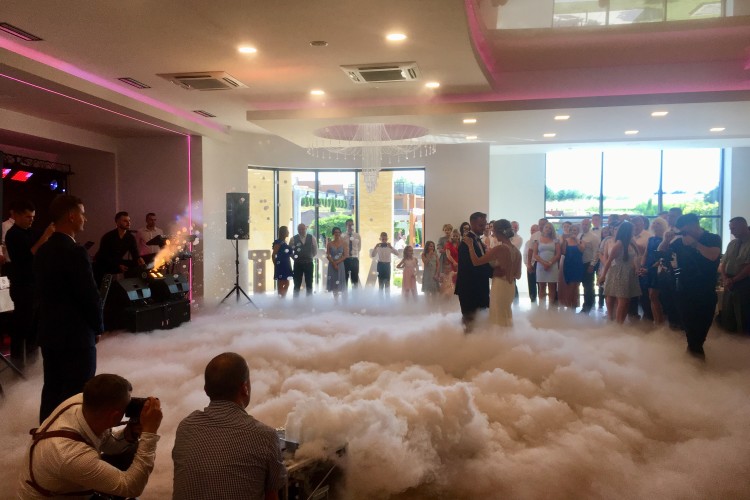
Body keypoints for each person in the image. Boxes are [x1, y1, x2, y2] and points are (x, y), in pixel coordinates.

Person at [17, 373, 163, 499]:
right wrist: (150, 432)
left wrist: (130, 433)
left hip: (67, 482)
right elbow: (131, 487)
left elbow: (108, 444)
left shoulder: (82, 402)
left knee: (133, 450)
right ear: (114, 416)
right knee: (141, 454)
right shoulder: (70, 455)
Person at [172, 352, 287, 500]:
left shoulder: (185, 427)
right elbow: (272, 495)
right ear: (245, 388)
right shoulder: (265, 436)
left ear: (206, 390)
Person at [34, 195, 104, 423]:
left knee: (52, 388)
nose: (85, 218)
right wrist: (98, 327)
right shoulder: (75, 251)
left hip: (49, 332)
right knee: (76, 393)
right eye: (82, 213)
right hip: (76, 335)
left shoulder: (43, 250)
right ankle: (69, 438)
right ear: (72, 216)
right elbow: (89, 295)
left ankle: (45, 433)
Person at [4, 200, 55, 367]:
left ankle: (32, 365)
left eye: (33, 217)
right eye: (28, 217)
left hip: (36, 284)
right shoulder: (13, 234)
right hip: (22, 286)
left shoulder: (32, 232)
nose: (31, 220)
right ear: (17, 216)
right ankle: (17, 364)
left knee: (35, 328)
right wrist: (45, 236)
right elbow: (28, 255)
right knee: (21, 327)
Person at [667, 213, 721, 358]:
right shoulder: (680, 242)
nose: (683, 234)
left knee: (702, 328)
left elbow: (713, 256)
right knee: (690, 329)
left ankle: (693, 357)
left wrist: (695, 244)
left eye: (685, 230)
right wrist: (666, 240)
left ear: (694, 225)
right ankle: (695, 360)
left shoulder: (712, 238)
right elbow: (660, 254)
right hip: (683, 291)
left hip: (706, 291)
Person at [464, 219, 522, 327]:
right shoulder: (517, 251)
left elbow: (476, 262)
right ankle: (508, 335)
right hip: (511, 287)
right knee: (506, 314)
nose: (493, 233)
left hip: (499, 285)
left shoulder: (499, 248)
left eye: (493, 231)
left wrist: (470, 246)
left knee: (497, 315)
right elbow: (518, 275)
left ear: (499, 232)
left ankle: (498, 336)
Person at [455, 212, 493, 331]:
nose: (484, 228)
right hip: (469, 288)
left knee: (480, 321)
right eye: (481, 225)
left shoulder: (478, 241)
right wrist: (493, 273)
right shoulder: (466, 243)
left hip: (479, 287)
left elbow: (482, 261)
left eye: (485, 225)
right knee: (470, 321)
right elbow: (470, 267)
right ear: (472, 224)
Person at [598, 221, 641, 324]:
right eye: (633, 230)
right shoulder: (619, 244)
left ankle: (621, 322)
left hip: (629, 273)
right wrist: (603, 276)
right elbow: (609, 261)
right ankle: (618, 324)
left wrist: (637, 268)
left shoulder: (631, 242)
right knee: (622, 300)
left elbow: (636, 256)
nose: (634, 231)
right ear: (627, 231)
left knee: (627, 300)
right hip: (619, 272)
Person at [719, 216, 750, 333]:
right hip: (729, 280)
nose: (731, 231)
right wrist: (725, 278)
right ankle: (730, 331)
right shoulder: (732, 243)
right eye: (730, 229)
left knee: (743, 309)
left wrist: (733, 280)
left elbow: (748, 267)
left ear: (743, 226)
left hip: (744, 282)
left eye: (734, 228)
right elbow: (723, 263)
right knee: (728, 309)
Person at [94, 211, 144, 284]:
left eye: (129, 220)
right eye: (125, 221)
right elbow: (104, 256)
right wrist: (117, 266)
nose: (128, 223)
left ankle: (132, 285)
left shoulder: (130, 237)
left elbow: (135, 253)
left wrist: (139, 259)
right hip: (103, 263)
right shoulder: (108, 237)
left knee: (136, 264)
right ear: (117, 222)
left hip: (117, 261)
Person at [639, 217, 667, 325]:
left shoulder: (664, 240)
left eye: (658, 223)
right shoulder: (651, 239)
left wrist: (649, 269)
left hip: (657, 268)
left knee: (654, 295)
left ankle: (660, 321)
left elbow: (662, 258)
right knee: (650, 296)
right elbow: (645, 254)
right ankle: (656, 320)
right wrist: (642, 266)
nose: (655, 225)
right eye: (654, 223)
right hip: (648, 267)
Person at [532, 222, 561, 305]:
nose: (548, 229)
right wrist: (544, 263)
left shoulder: (556, 240)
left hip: (553, 265)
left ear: (552, 230)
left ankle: (551, 308)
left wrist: (549, 263)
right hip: (541, 266)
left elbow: (558, 254)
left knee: (552, 287)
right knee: (542, 287)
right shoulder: (537, 240)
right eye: (546, 227)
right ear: (543, 229)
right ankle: (541, 307)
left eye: (550, 228)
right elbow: (535, 254)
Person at [559, 224, 585, 309]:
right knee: (569, 286)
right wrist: (563, 241)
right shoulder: (566, 241)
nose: (573, 232)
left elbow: (582, 250)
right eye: (572, 230)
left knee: (576, 286)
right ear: (569, 231)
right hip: (568, 265)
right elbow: (563, 252)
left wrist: (577, 241)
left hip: (578, 265)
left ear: (578, 231)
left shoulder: (581, 241)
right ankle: (568, 306)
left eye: (575, 230)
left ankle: (574, 306)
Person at [578, 218, 601, 314]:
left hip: (588, 263)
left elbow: (596, 252)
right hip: (579, 263)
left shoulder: (594, 237)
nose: (584, 226)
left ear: (590, 225)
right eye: (583, 224)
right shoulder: (579, 235)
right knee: (581, 285)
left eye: (586, 224)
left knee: (588, 286)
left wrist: (592, 265)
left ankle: (587, 306)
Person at [291, 223, 317, 296]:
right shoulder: (293, 239)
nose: (301, 230)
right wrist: (294, 258)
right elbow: (290, 251)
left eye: (303, 229)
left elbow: (315, 250)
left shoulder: (312, 238)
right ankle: (295, 300)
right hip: (297, 264)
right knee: (296, 283)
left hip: (309, 263)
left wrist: (310, 257)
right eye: (299, 229)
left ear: (306, 229)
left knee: (309, 282)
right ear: (297, 230)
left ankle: (309, 300)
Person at [370, 232, 399, 296]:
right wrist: (375, 247)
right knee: (380, 283)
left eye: (385, 239)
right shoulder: (378, 247)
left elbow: (397, 254)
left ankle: (387, 299)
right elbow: (373, 255)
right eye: (383, 239)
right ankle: (381, 299)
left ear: (387, 239)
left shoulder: (389, 247)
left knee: (387, 283)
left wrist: (391, 247)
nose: (384, 240)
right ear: (380, 239)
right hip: (380, 265)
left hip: (387, 265)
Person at [326, 226, 348, 297]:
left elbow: (345, 255)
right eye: (335, 232)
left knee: (340, 280)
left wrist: (337, 262)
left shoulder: (344, 243)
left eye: (338, 232)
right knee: (333, 282)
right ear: (333, 233)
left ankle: (343, 300)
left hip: (340, 264)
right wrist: (333, 263)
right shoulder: (329, 244)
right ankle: (336, 300)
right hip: (332, 265)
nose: (337, 234)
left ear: (340, 233)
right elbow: (327, 255)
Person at [272, 226, 293, 298]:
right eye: (287, 231)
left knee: (287, 282)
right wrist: (276, 264)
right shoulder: (278, 242)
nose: (288, 232)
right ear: (283, 232)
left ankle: (282, 298)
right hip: (281, 265)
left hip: (286, 264)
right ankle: (281, 299)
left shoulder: (285, 242)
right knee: (281, 283)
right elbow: (274, 254)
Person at [341, 218, 361, 288]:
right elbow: (341, 249)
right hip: (345, 260)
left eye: (352, 225)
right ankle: (344, 295)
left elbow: (359, 248)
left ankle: (355, 295)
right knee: (344, 280)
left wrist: (354, 254)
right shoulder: (342, 236)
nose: (351, 226)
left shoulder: (357, 235)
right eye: (349, 225)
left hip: (354, 259)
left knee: (355, 280)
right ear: (346, 226)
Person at [523, 224, 539, 303]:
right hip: (529, 265)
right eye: (531, 230)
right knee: (531, 283)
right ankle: (533, 299)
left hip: (538, 265)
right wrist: (528, 265)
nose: (532, 231)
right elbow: (525, 255)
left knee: (539, 283)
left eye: (534, 230)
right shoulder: (527, 242)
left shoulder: (540, 241)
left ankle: (541, 300)